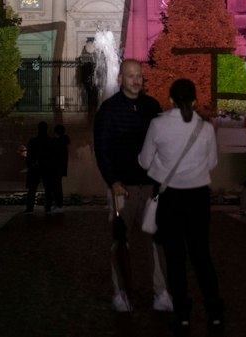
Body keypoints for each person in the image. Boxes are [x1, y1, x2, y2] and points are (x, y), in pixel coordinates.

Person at [138, 78, 224, 334]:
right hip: (198, 198)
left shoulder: (158, 124)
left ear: (170, 100)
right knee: (202, 256)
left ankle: (183, 315)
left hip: (170, 199)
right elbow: (212, 163)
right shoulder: (205, 128)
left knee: (175, 259)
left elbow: (144, 162)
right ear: (195, 101)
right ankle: (214, 313)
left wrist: (161, 166)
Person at [93, 57, 166, 313]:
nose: (136, 80)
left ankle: (160, 292)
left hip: (149, 186)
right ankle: (121, 292)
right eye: (131, 76)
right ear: (120, 79)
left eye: (139, 76)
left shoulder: (152, 106)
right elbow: (102, 149)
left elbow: (161, 145)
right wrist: (112, 181)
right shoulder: (109, 109)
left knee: (156, 241)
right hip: (121, 187)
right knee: (120, 240)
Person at [23, 121, 50, 212]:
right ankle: (48, 207)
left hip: (35, 167)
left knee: (32, 189)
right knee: (48, 188)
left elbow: (29, 155)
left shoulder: (33, 141)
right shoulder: (50, 141)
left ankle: (30, 208)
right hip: (46, 167)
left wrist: (29, 164)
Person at [45, 124, 70, 212]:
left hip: (54, 168)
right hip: (60, 168)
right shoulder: (63, 141)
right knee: (58, 186)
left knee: (55, 187)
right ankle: (59, 204)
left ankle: (58, 204)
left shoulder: (56, 142)